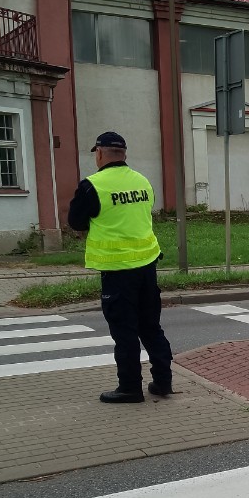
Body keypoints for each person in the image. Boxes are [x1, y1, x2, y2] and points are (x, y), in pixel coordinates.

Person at [67, 131, 174, 404]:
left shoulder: (92, 185)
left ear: (100, 153)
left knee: (124, 331)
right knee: (151, 326)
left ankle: (130, 388)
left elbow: (76, 222)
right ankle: (163, 382)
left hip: (117, 271)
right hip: (148, 266)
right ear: (124, 154)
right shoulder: (143, 181)